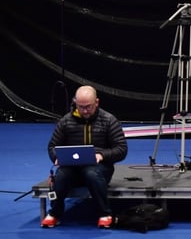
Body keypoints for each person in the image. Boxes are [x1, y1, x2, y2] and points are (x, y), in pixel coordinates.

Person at [41, 85, 128, 229]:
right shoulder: (66, 121)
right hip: (72, 168)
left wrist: (101, 155)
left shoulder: (109, 120)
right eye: (80, 107)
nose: (84, 111)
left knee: (91, 173)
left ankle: (104, 214)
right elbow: (52, 147)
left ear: (97, 102)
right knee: (61, 175)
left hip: (100, 167)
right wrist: (56, 157)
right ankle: (54, 214)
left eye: (88, 107)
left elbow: (121, 149)